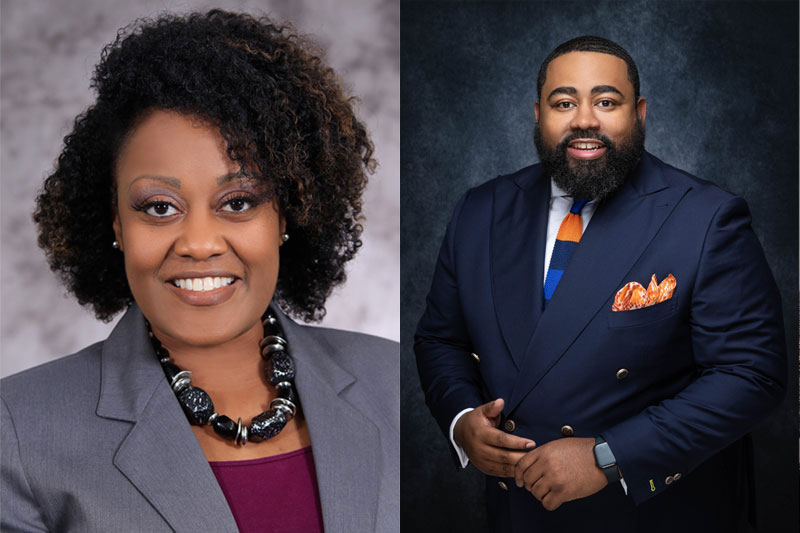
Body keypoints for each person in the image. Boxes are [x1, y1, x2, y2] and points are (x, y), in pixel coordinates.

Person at [1, 10, 398, 532]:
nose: (199, 244)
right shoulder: (20, 430)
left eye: (237, 201)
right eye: (159, 207)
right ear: (116, 222)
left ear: (288, 214)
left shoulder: (392, 382)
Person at [415, 35, 786, 531]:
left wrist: (610, 456)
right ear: (538, 113)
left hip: (655, 514)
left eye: (606, 101)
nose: (584, 119)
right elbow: (440, 339)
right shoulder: (479, 210)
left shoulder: (706, 217)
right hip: (520, 514)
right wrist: (463, 423)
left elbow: (751, 374)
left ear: (640, 112)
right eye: (563, 102)